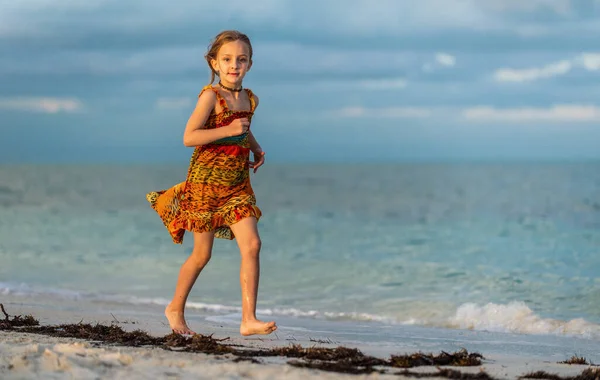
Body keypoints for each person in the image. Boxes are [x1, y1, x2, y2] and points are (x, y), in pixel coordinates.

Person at [146, 30, 277, 337]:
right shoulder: (210, 96)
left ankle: (248, 319)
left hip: (236, 185)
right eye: (228, 59)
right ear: (214, 63)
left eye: (242, 60)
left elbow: (241, 129)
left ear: (250, 64)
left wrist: (256, 148)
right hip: (204, 186)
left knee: (253, 245)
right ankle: (174, 308)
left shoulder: (248, 98)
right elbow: (189, 137)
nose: (235, 65)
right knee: (202, 255)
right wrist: (228, 129)